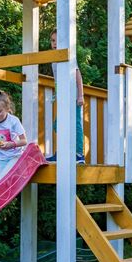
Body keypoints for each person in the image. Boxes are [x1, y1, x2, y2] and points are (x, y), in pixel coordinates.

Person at [46, 29, 85, 164]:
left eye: (58, 40)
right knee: (58, 125)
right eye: (53, 40)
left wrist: (80, 95)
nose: (55, 43)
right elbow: (58, 81)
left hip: (73, 96)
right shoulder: (54, 60)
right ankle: (62, 152)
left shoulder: (69, 57)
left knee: (75, 124)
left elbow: (78, 77)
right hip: (62, 97)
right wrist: (57, 95)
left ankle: (79, 154)